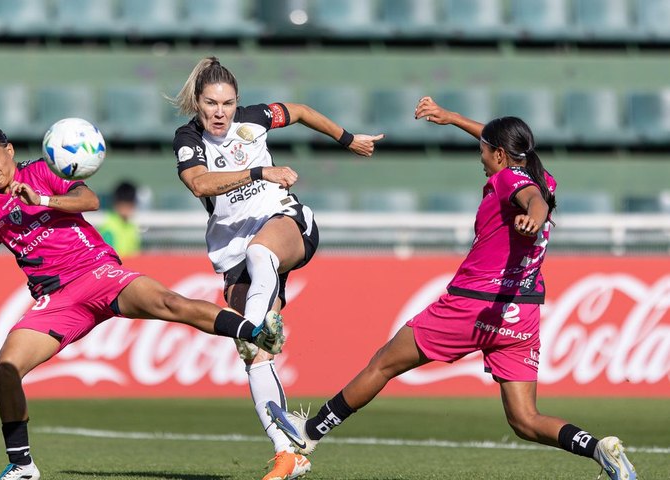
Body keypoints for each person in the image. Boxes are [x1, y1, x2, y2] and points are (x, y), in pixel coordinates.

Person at [266, 97, 638, 480]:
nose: (480, 156)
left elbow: (533, 201)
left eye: (483, 150)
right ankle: (599, 450)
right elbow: (520, 169)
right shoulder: (538, 173)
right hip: (520, 315)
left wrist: (534, 217)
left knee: (383, 363)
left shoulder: (512, 181)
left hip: (471, 307)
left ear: (498, 154)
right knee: (525, 420)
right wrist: (452, 118)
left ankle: (308, 432)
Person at [0, 125, 286, 480]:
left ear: (8, 151)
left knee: (169, 303)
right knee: (6, 368)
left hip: (96, 272)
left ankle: (254, 333)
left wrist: (41, 198)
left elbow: (86, 198)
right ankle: (21, 465)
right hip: (57, 299)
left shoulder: (42, 171)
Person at [170, 56, 384, 480]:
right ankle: (289, 453)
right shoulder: (188, 138)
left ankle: (256, 323)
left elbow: (300, 111)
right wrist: (259, 170)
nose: (220, 112)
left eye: (228, 103)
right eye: (211, 103)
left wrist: (348, 138)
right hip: (232, 251)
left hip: (285, 224)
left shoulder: (255, 120)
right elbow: (198, 182)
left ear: (237, 103)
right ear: (197, 102)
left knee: (260, 255)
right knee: (254, 355)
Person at [98, 180, 141, 257]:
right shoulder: (108, 226)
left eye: (129, 205)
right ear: (116, 203)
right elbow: (108, 256)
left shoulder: (132, 226)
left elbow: (136, 253)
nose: (126, 209)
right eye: (124, 205)